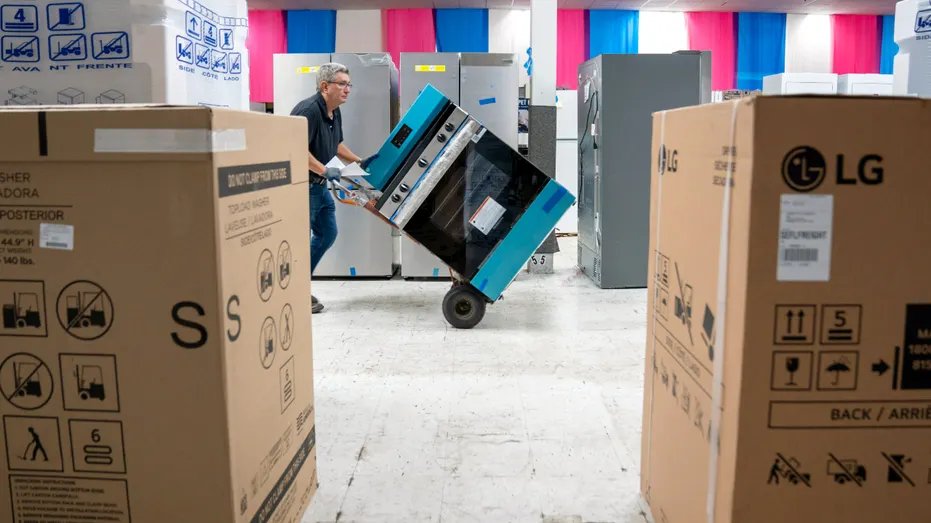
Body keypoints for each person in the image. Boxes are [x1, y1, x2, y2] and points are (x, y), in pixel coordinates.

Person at [290, 63, 364, 314]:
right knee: (300, 241)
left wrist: (360, 161)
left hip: (321, 188)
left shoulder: (334, 111)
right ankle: (295, 291)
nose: (347, 89)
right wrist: (323, 170)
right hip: (304, 186)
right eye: (342, 84)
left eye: (348, 84)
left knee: (327, 234)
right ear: (324, 86)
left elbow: (336, 144)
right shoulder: (308, 111)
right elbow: (295, 148)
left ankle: (298, 284)